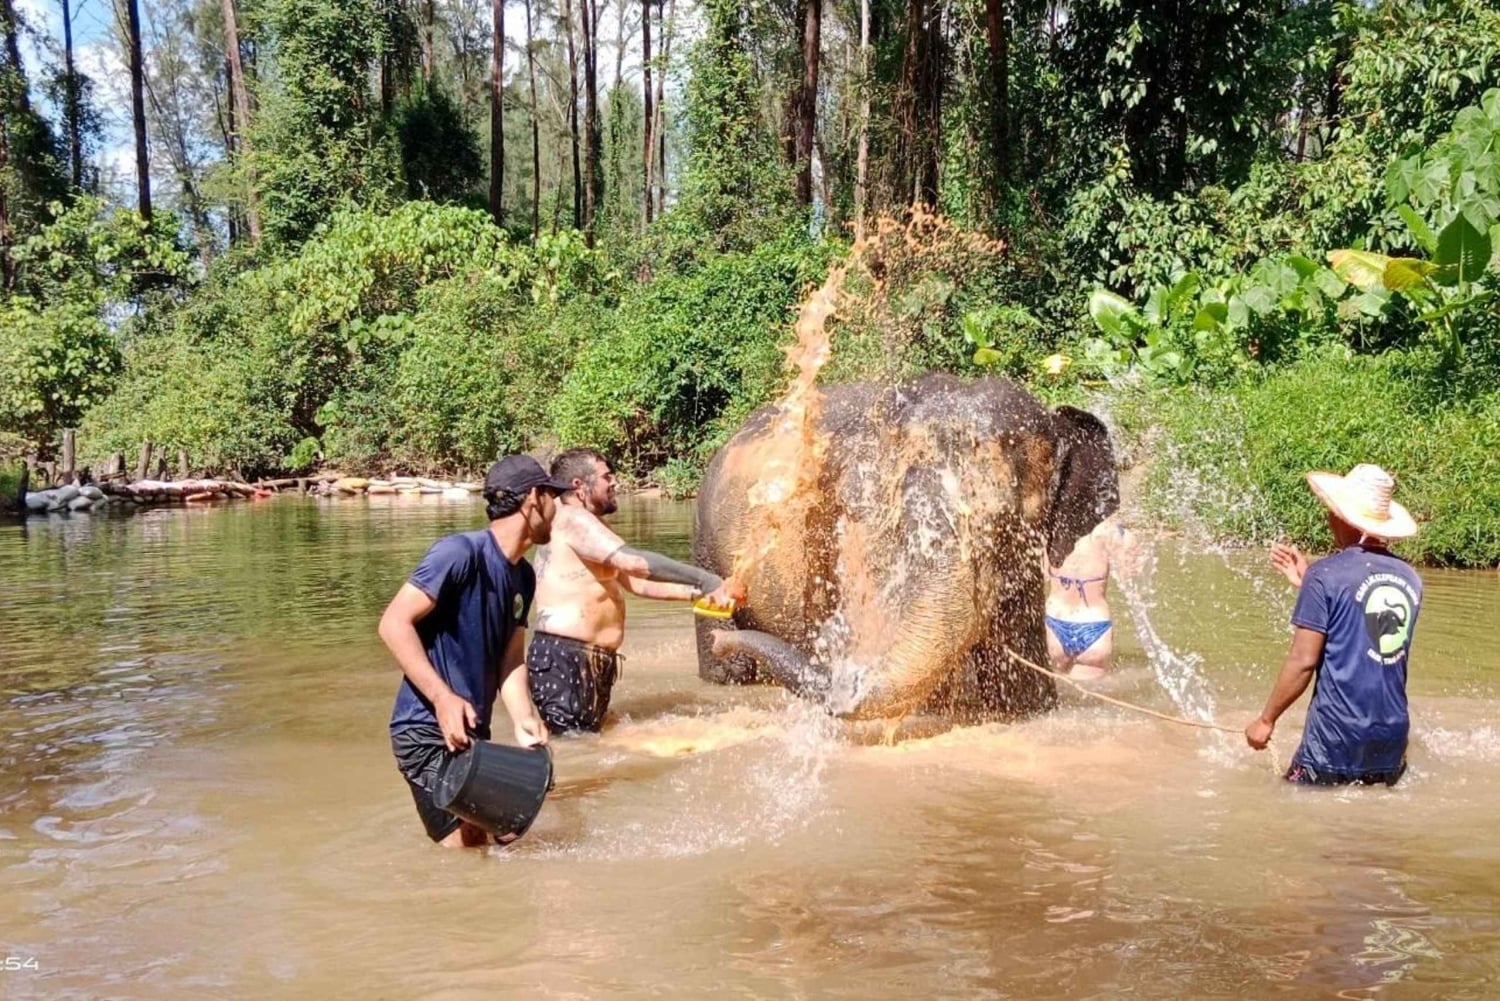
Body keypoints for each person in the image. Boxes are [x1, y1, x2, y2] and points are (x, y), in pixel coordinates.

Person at [379, 455, 570, 847]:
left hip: (470, 734)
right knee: (464, 856)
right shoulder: (458, 553)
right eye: (553, 497)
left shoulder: (523, 575)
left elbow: (511, 657)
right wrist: (442, 698)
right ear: (533, 498)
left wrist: (524, 719)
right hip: (425, 729)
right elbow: (393, 623)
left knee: (491, 842)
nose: (558, 509)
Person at [528, 447, 742, 734]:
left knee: (586, 746)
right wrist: (708, 581)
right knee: (575, 748)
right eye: (606, 476)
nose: (614, 482)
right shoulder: (573, 520)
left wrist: (697, 594)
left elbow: (636, 583)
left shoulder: (590, 526)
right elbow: (634, 563)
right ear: (579, 486)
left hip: (582, 658)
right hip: (566, 658)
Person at [1245, 464, 1422, 787]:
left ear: (1341, 517)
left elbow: (1303, 662)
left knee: (1301, 820)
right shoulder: (1409, 577)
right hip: (1392, 737)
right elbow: (1373, 631)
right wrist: (1306, 584)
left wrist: (1265, 720)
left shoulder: (1326, 575)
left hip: (1336, 737)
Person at [1044, 513, 1137, 679]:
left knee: (1058, 696)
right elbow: (1128, 575)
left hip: (1054, 623)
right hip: (1094, 626)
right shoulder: (1112, 532)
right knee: (1090, 700)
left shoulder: (1051, 525)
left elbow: (1042, 572)